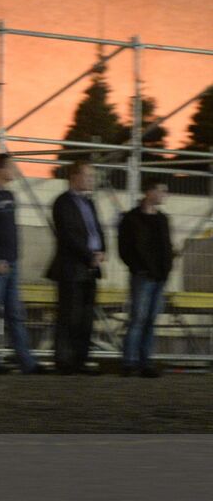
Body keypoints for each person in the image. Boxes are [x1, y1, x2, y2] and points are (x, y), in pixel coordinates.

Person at [0, 153, 42, 374]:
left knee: (14, 313)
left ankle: (26, 362)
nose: (14, 170)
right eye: (11, 166)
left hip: (11, 263)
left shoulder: (9, 196)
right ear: (0, 170)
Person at [46, 160, 105, 375]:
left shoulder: (89, 203)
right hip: (72, 267)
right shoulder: (62, 203)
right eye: (88, 176)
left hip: (90, 267)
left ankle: (80, 360)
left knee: (86, 318)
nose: (91, 180)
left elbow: (96, 229)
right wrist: (89, 255)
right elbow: (68, 235)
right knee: (69, 315)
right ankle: (64, 360)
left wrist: (101, 251)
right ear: (74, 177)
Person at [117, 179, 173, 378]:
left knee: (149, 320)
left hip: (158, 277)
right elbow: (124, 248)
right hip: (143, 276)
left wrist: (166, 269)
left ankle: (144, 361)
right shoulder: (132, 219)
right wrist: (138, 267)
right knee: (138, 320)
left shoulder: (162, 219)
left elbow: (166, 247)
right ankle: (130, 362)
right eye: (161, 190)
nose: (165, 194)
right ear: (149, 192)